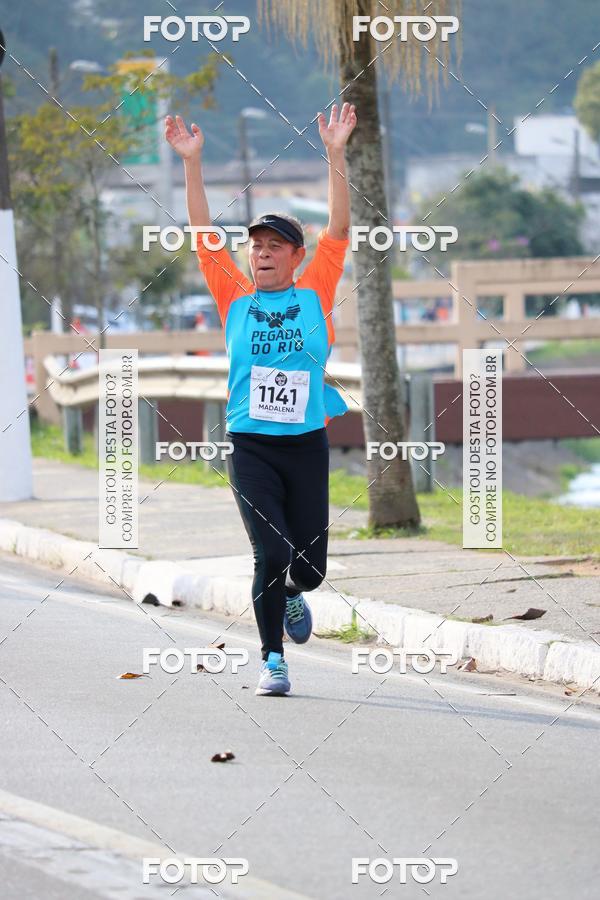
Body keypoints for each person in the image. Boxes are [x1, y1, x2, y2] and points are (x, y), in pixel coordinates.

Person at [165, 103, 357, 695]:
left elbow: (339, 229)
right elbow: (204, 237)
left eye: (277, 245)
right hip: (250, 445)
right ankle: (273, 659)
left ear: (297, 257)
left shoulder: (316, 289)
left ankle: (295, 594)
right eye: (257, 245)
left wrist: (335, 153)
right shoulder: (235, 297)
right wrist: (191, 164)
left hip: (305, 445)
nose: (264, 252)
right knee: (270, 553)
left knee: (310, 570)